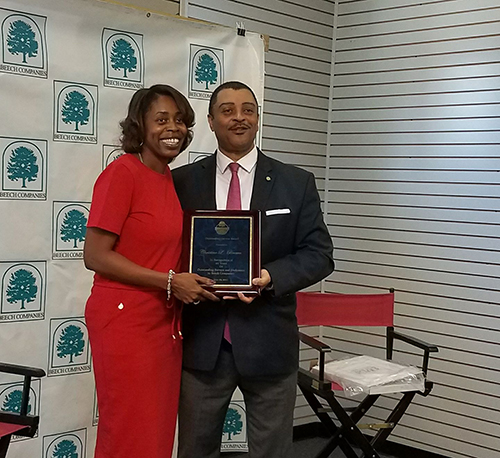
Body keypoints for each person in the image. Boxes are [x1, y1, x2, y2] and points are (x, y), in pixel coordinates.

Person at [172, 81, 334, 458]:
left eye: (248, 109)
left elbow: (319, 254)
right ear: (211, 121)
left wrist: (270, 277)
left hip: (269, 342)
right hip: (203, 343)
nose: (239, 117)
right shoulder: (181, 182)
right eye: (227, 110)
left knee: (272, 452)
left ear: (258, 118)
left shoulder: (296, 183)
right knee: (194, 449)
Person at [83, 84, 218, 458]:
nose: (172, 128)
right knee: (128, 430)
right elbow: (95, 255)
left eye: (179, 120)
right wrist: (171, 282)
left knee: (155, 431)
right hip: (125, 322)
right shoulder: (122, 174)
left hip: (163, 322)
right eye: (161, 120)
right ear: (139, 127)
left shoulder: (169, 180)